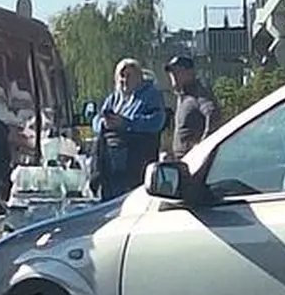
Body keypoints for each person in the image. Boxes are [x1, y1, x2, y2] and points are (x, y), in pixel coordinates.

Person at [89, 57, 168, 199]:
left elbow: (157, 121)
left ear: (139, 77)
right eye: (121, 76)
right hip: (110, 167)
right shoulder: (114, 98)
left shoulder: (151, 95)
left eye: (129, 76)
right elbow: (96, 121)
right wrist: (103, 123)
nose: (124, 80)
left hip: (136, 164)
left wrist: (126, 123)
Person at [163, 51, 219, 157]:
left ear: (190, 72)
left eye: (178, 71)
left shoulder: (199, 93)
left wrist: (203, 147)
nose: (173, 75)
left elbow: (213, 117)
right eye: (171, 72)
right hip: (181, 158)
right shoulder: (182, 96)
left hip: (193, 159)